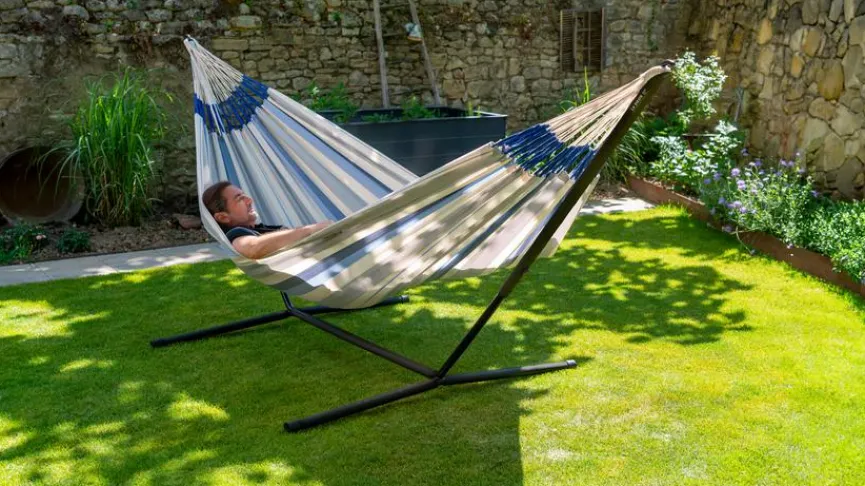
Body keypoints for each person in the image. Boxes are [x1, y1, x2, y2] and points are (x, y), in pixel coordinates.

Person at [201, 181, 331, 259]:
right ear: (223, 217)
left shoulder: (258, 229)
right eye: (240, 198)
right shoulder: (237, 235)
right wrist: (310, 230)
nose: (249, 200)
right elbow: (253, 248)